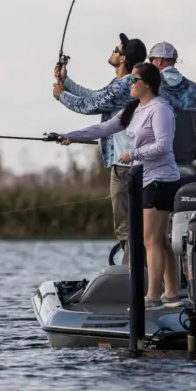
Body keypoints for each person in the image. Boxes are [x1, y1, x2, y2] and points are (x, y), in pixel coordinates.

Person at [54, 62, 183, 309]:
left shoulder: (160, 110)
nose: (129, 84)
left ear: (147, 84)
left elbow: (164, 147)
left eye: (133, 80)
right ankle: (172, 294)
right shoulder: (134, 109)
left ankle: (153, 298)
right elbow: (104, 128)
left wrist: (131, 154)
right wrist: (71, 135)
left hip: (162, 180)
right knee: (160, 241)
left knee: (151, 241)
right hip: (145, 180)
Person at [52, 33, 148, 265]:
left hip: (126, 166)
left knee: (126, 228)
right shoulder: (122, 85)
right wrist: (67, 82)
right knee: (126, 227)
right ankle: (133, 273)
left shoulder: (126, 86)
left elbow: (93, 105)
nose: (113, 52)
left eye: (117, 49)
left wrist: (61, 95)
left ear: (123, 58)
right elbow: (97, 96)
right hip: (124, 164)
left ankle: (131, 276)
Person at [147, 41, 196, 167]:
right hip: (187, 160)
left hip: (158, 162)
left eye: (151, 61)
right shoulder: (195, 89)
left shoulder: (150, 88)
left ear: (158, 61)